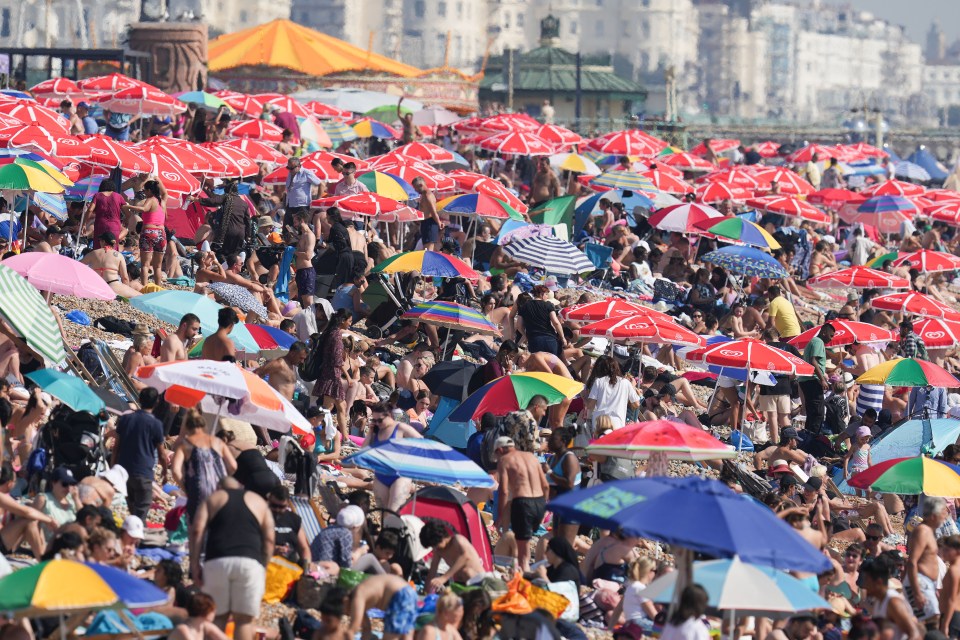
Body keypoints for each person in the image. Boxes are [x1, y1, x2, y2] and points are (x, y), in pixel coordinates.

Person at [190, 477, 274, 640]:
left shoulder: (213, 499)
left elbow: (197, 531)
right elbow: (270, 539)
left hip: (217, 560)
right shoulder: (259, 502)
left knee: (218, 617)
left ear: (219, 487)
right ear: (241, 486)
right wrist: (263, 566)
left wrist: (195, 564)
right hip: (250, 562)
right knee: (243, 621)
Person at [171, 410, 236, 525]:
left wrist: (186, 487)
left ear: (187, 427)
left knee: (196, 525)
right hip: (219, 488)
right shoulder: (218, 442)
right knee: (217, 523)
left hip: (198, 488)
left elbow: (175, 471)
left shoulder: (186, 444)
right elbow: (233, 466)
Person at [111, 387, 166, 521]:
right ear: (157, 402)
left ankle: (129, 536)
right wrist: (164, 470)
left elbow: (116, 447)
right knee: (140, 513)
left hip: (124, 471)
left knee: (132, 510)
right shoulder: (156, 424)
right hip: (143, 473)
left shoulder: (126, 419)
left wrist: (113, 468)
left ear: (139, 400)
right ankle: (134, 538)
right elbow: (162, 453)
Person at [495, 436, 549, 572]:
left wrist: (500, 517)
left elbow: (504, 492)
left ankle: (522, 584)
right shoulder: (532, 457)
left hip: (523, 504)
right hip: (540, 502)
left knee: (523, 556)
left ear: (500, 450)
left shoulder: (505, 460)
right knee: (526, 542)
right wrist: (544, 509)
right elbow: (546, 486)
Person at [861, 556, 923, 640]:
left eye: (867, 581)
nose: (864, 585)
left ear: (878, 582)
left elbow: (915, 635)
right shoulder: (878, 601)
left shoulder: (893, 602)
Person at [906, 497, 946, 626]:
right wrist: (917, 592)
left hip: (926, 583)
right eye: (943, 513)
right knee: (928, 622)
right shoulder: (922, 531)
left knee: (930, 622)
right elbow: (912, 561)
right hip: (919, 582)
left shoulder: (928, 531)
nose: (945, 516)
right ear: (934, 516)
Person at [346, 573, 419, 640]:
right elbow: (366, 629)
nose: (348, 614)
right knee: (406, 635)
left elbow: (352, 630)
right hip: (409, 591)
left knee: (390, 637)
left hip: (399, 594)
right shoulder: (361, 592)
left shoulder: (357, 596)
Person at [419, 519, 485, 593]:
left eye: (435, 545)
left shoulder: (457, 540)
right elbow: (432, 571)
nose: (434, 548)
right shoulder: (439, 551)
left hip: (479, 581)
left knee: (466, 571)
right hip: (460, 585)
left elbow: (465, 557)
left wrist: (444, 578)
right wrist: (425, 592)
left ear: (441, 538)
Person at [123, 180, 167, 287]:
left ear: (149, 191)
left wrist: (128, 206)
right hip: (161, 233)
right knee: (157, 266)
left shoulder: (151, 199)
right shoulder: (163, 202)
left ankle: (144, 287)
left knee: (145, 265)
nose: (144, 193)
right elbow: (165, 194)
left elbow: (144, 209)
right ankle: (158, 287)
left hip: (149, 232)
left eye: (145, 190)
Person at [585, 356, 641, 430]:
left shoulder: (599, 381)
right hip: (618, 424)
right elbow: (636, 404)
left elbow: (590, 405)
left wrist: (583, 396)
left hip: (600, 423)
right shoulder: (625, 382)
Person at [799, 323, 835, 436]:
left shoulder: (814, 342)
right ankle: (812, 439)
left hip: (808, 381)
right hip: (812, 381)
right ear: (824, 332)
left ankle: (807, 438)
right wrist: (822, 379)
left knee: (813, 413)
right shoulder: (818, 342)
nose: (831, 338)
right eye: (831, 335)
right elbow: (813, 360)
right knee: (817, 413)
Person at [81, 231, 140, 298]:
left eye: (100, 240)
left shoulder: (93, 253)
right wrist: (126, 290)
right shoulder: (119, 255)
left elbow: (78, 265)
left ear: (103, 242)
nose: (99, 242)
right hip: (113, 286)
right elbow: (125, 278)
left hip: (96, 287)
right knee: (140, 296)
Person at [266, 485, 311, 568]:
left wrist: (307, 565)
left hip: (290, 565)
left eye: (281, 507)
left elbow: (304, 547)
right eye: (274, 506)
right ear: (268, 500)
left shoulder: (294, 519)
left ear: (287, 504)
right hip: (266, 563)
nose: (277, 510)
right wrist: (274, 549)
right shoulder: (261, 517)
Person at [516, 285, 566, 356]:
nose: (547, 297)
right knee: (551, 364)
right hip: (550, 339)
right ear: (541, 294)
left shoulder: (525, 306)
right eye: (546, 294)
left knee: (537, 365)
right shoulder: (548, 305)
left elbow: (519, 326)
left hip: (534, 340)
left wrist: (525, 335)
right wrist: (562, 337)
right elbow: (556, 322)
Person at [283, 156, 321, 230]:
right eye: (288, 168)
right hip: (290, 205)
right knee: (287, 229)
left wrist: (317, 199)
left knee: (301, 229)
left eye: (292, 168)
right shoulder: (290, 174)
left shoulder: (306, 173)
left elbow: (320, 184)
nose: (290, 170)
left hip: (302, 205)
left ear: (299, 166)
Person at [294, 212, 316, 309]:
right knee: (303, 302)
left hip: (307, 271)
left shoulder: (309, 235)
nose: (294, 224)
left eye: (295, 222)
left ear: (302, 220)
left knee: (308, 302)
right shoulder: (302, 235)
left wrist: (293, 251)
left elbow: (308, 255)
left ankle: (311, 322)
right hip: (300, 271)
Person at [414, 177, 441, 251]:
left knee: (428, 249)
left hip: (430, 223)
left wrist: (439, 223)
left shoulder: (427, 195)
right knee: (426, 248)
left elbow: (433, 211)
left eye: (416, 188)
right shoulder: (424, 195)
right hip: (426, 223)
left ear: (420, 185)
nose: (415, 190)